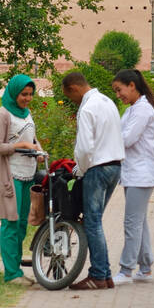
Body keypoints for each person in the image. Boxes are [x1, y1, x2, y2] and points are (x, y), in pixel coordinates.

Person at [61, 71, 125, 290]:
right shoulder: (107, 102)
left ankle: (98, 274)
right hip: (115, 166)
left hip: (97, 169)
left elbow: (85, 147)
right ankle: (105, 275)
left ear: (74, 89)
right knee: (94, 221)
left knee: (92, 221)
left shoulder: (87, 108)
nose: (73, 101)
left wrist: (80, 169)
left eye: (70, 97)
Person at [111, 69, 154, 285]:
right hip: (134, 173)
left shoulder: (143, 110)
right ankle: (145, 268)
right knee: (139, 222)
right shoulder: (134, 109)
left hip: (141, 175)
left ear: (132, 85)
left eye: (120, 89)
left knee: (132, 222)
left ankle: (126, 270)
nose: (119, 95)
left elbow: (127, 139)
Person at [0, 73, 44, 283]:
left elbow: (32, 138)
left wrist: (38, 151)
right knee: (10, 223)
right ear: (14, 93)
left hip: (28, 174)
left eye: (30, 94)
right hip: (10, 176)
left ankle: (17, 269)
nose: (27, 98)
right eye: (23, 94)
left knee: (21, 224)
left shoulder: (26, 113)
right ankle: (11, 273)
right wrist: (19, 147)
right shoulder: (2, 115)